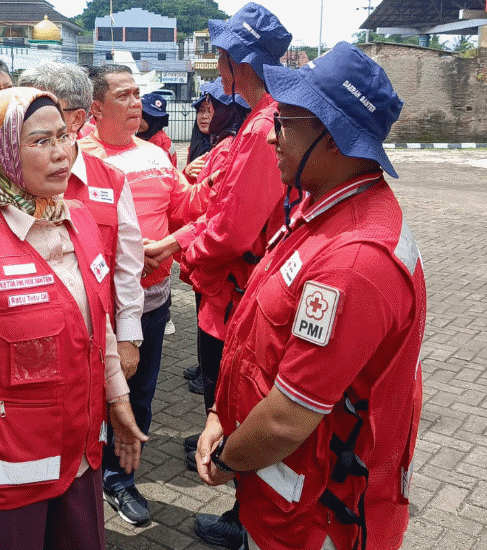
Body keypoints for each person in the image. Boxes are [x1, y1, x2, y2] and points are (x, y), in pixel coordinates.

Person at [196, 42, 427, 550]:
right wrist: (219, 413)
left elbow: (285, 419)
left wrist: (227, 457)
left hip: (315, 521)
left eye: (286, 122)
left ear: (335, 138)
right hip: (281, 504)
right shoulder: (318, 212)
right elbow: (256, 343)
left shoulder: (354, 263)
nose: (273, 137)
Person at [0, 86, 146, 550]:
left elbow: (95, 324)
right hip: (6, 483)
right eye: (40, 141)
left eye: (64, 136)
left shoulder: (78, 218)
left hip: (80, 464)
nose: (62, 153)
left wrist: (117, 399)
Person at [143, 4, 291, 546]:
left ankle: (244, 516)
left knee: (241, 401)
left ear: (235, 63)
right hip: (238, 284)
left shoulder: (259, 128)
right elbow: (219, 213)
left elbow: (229, 230)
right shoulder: (266, 121)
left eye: (223, 57)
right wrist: (178, 242)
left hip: (240, 292)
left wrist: (177, 252)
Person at [79, 64, 209, 526]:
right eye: (124, 95)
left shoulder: (156, 156)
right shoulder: (75, 157)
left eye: (139, 95)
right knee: (89, 397)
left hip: (151, 303)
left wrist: (214, 182)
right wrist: (129, 256)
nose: (137, 103)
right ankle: (83, 479)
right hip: (95, 310)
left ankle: (120, 478)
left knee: (140, 394)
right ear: (95, 108)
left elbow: (184, 208)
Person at [18, 60, 145, 395]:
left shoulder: (111, 182)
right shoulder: (5, 183)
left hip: (98, 342)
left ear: (75, 118)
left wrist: (129, 336)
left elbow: (127, 266)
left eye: (40, 107)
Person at [179, 78, 252, 393]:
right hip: (204, 250)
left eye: (213, 108)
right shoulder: (212, 146)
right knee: (206, 326)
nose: (204, 115)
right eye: (202, 110)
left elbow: (213, 212)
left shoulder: (226, 149)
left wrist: (188, 250)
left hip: (213, 258)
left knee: (215, 335)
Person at [136, 93, 176, 167]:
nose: (137, 120)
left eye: (141, 117)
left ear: (151, 120)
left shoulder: (161, 142)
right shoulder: (140, 136)